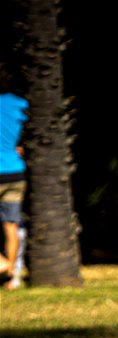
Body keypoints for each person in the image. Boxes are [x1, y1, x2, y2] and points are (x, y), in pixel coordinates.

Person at [0, 64, 29, 290]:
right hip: (15, 172)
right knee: (12, 224)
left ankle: (3, 264)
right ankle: (12, 274)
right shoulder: (21, 105)